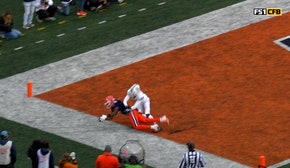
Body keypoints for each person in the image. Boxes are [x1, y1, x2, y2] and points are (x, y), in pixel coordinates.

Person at [99, 95, 169, 132]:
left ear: (111, 101)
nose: (107, 104)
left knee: (136, 126)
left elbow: (114, 113)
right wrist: (105, 118)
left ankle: (153, 127)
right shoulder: (113, 105)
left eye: (108, 102)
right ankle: (162, 119)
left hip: (131, 112)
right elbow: (111, 116)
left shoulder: (116, 103)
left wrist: (105, 116)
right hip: (133, 111)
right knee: (144, 120)